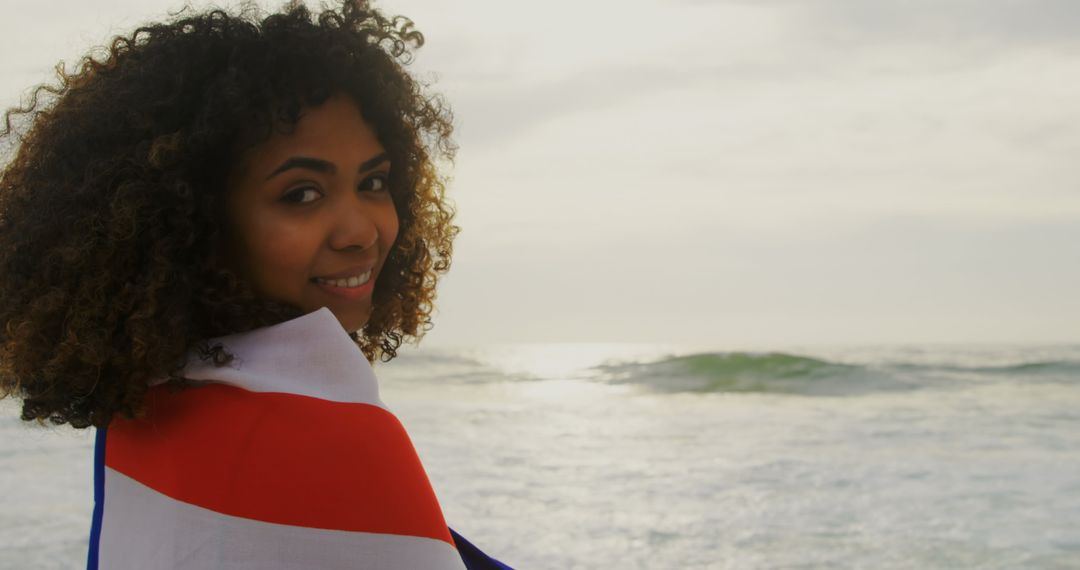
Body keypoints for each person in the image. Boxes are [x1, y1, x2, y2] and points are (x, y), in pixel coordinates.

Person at [0, 1, 510, 568]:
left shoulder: (149, 407)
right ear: (191, 220)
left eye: (374, 181)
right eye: (302, 194)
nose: (362, 230)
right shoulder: (331, 441)